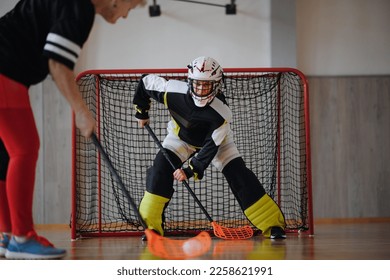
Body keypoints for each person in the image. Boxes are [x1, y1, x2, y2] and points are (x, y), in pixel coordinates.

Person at [0, 0, 146, 260]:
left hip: (9, 73)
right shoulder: (79, 7)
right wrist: (81, 111)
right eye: (131, 7)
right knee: (24, 149)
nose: (125, 16)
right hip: (4, 72)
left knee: (5, 156)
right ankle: (22, 238)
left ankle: (8, 235)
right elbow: (58, 65)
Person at [133, 56, 286, 240]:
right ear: (190, 81)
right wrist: (141, 112)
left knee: (239, 175)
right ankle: (152, 229)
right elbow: (145, 82)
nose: (201, 89)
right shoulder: (172, 91)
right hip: (180, 138)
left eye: (207, 85)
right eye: (197, 84)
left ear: (217, 84)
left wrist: (190, 170)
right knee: (159, 170)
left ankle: (273, 225)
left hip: (217, 142)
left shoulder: (221, 113)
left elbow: (210, 147)